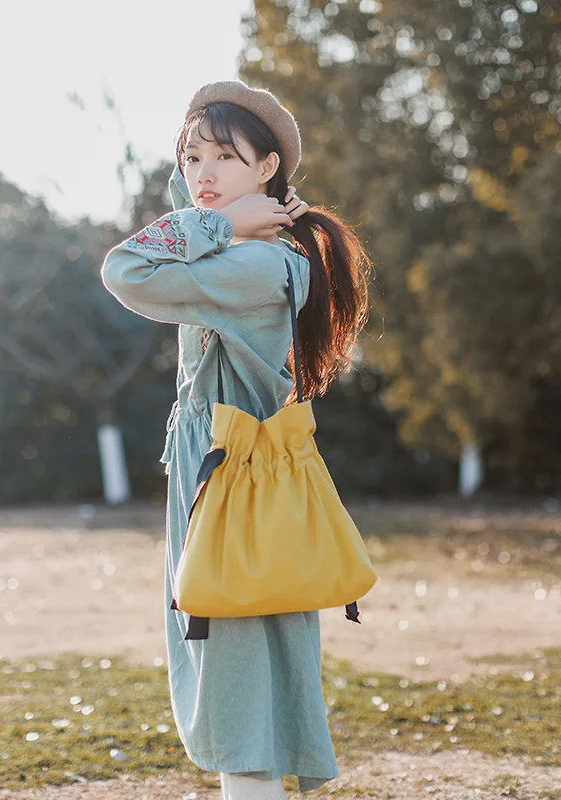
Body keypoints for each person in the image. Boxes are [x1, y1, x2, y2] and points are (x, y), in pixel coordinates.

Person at [101, 80, 372, 799]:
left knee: (235, 686)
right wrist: (228, 209)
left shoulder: (252, 267)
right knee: (240, 676)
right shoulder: (246, 255)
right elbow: (183, 204)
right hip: (223, 477)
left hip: (229, 487)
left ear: (268, 171)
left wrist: (225, 224)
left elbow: (124, 269)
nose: (202, 174)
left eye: (226, 156)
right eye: (193, 157)